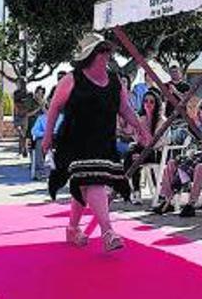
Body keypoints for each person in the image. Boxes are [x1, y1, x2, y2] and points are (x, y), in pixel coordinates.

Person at [43, 32, 150, 252]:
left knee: (85, 186)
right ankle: (108, 232)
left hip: (103, 140)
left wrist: (139, 127)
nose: (106, 55)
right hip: (74, 140)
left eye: (107, 51)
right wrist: (47, 135)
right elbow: (54, 107)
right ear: (89, 55)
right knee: (93, 181)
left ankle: (72, 228)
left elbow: (125, 108)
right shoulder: (72, 79)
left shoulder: (115, 80)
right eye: (100, 51)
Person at [123, 89, 166, 205]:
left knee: (135, 157)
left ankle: (131, 189)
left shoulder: (161, 121)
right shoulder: (141, 118)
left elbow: (154, 143)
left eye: (151, 102)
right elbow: (137, 139)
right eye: (146, 101)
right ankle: (135, 191)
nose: (148, 104)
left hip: (156, 152)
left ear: (156, 104)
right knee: (130, 154)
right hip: (143, 149)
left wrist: (142, 129)